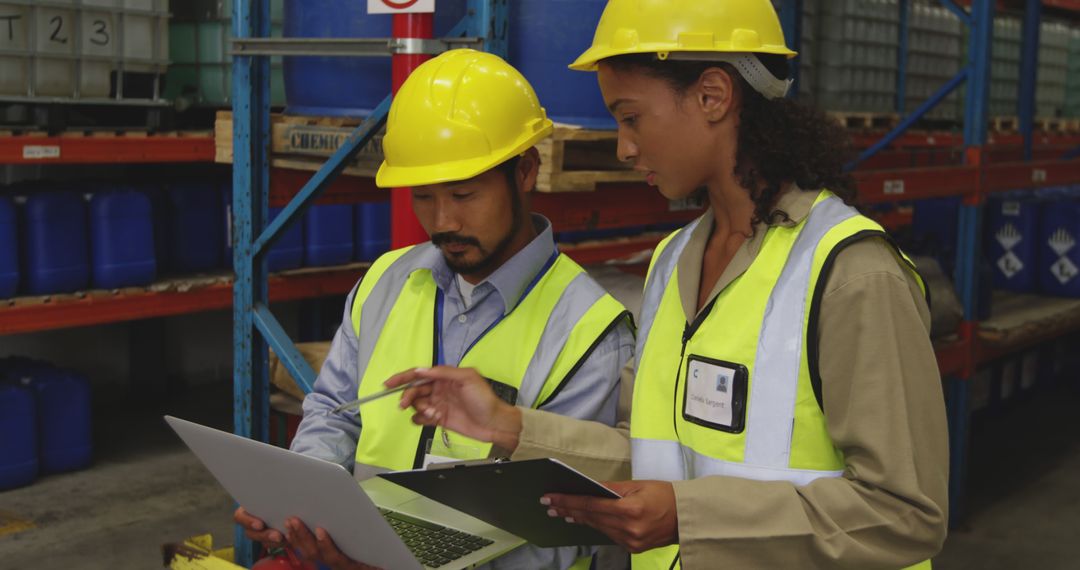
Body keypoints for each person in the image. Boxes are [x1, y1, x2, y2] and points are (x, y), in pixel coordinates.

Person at [392, 1, 949, 568]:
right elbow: (648, 454)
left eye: (631, 117)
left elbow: (905, 512)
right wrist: (507, 426)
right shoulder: (672, 263)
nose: (624, 147)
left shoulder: (850, 273)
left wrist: (690, 515)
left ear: (713, 95)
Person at [235, 48, 635, 570]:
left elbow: (558, 535)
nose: (443, 219)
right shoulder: (384, 283)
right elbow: (333, 414)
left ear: (526, 171)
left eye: (464, 194)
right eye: (422, 196)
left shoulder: (590, 331)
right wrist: (300, 507)